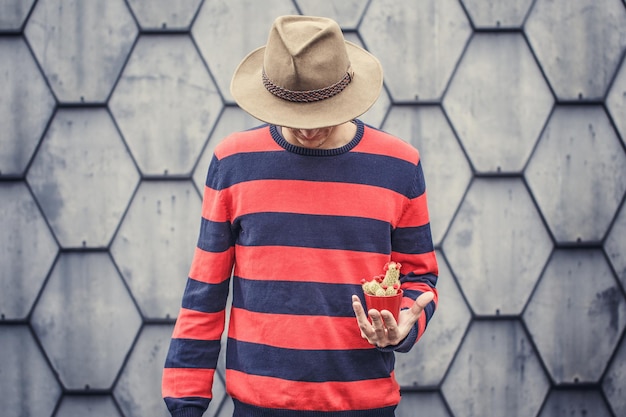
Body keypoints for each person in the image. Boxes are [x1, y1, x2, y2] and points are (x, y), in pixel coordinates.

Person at [162, 15, 438, 417]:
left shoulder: (399, 165)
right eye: (293, 115)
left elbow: (419, 277)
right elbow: (206, 289)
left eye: (321, 114)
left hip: (363, 405)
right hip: (259, 407)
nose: (308, 132)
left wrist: (402, 327)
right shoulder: (234, 162)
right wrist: (185, 402)